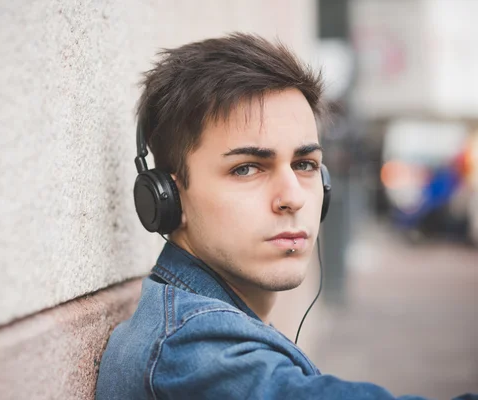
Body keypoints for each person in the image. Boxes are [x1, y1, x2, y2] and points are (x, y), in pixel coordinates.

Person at [95, 33, 476, 400]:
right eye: (246, 168)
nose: (293, 197)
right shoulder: (195, 355)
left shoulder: (193, 321)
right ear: (169, 199)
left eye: (305, 164)